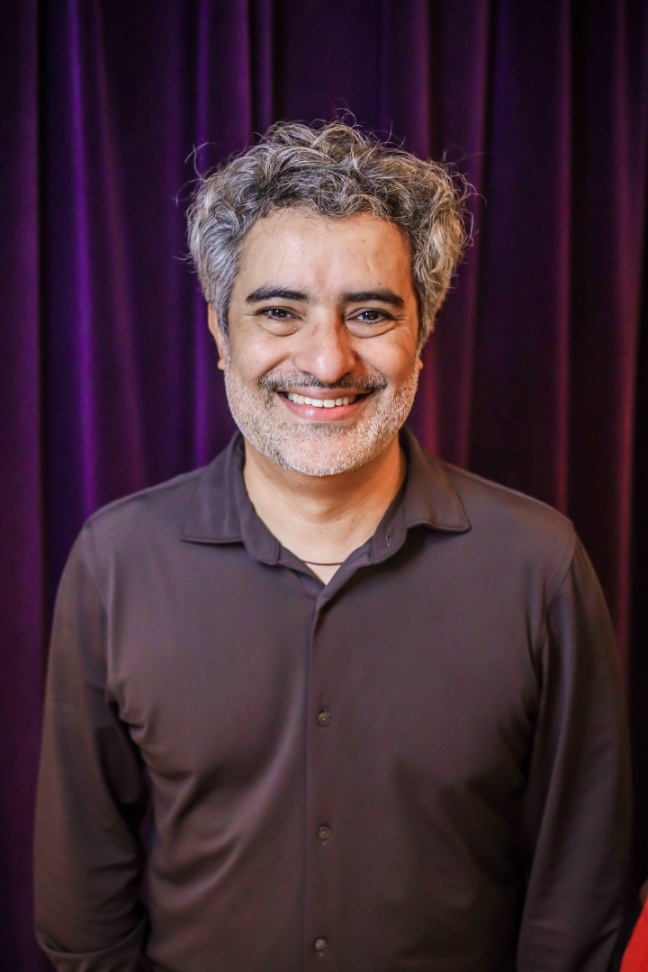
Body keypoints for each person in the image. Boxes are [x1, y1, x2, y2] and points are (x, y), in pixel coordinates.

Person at [34, 120, 630, 972]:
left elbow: (581, 895)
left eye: (371, 313)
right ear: (220, 332)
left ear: (422, 334)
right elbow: (85, 897)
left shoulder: (540, 566)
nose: (326, 360)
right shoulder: (115, 563)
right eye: (280, 311)